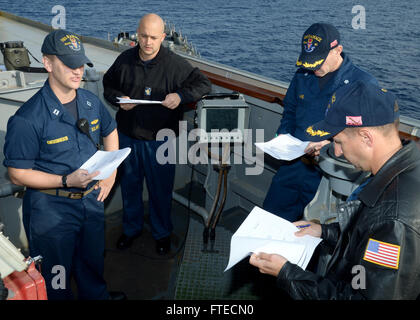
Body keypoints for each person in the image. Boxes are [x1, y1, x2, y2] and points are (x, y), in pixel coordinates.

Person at [250, 81, 420, 299]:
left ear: (366, 137)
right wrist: (323, 231)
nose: (337, 152)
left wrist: (287, 274)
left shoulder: (395, 219)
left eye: (338, 141)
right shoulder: (404, 168)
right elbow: (368, 239)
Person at [3, 30, 124, 300]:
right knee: (57, 278)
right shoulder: (28, 118)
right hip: (51, 212)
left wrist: (110, 173)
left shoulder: (91, 101)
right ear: (48, 64)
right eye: (69, 64)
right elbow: (17, 174)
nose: (77, 71)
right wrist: (66, 181)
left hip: (91, 200)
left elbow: (110, 129)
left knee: (92, 263)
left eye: (80, 64)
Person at [103, 13, 211, 254]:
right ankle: (130, 230)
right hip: (128, 137)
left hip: (160, 141)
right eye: (143, 36)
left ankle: (162, 234)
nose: (148, 42)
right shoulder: (124, 59)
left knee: (160, 191)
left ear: (163, 36)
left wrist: (181, 96)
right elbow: (108, 85)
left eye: (153, 37)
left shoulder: (175, 64)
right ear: (137, 34)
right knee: (130, 188)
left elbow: (203, 84)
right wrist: (119, 100)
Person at [263, 22, 378, 222]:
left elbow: (368, 137)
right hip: (292, 164)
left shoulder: (363, 85)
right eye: (309, 61)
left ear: (338, 51)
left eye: (319, 61)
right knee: (270, 220)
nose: (313, 67)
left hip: (328, 175)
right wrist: (283, 135)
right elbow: (290, 110)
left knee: (315, 232)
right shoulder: (303, 75)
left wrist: (331, 147)